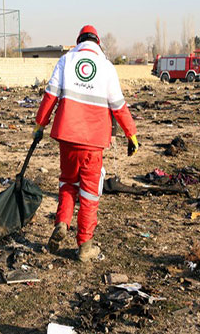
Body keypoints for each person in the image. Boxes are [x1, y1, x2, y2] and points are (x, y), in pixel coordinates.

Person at [33, 25, 138, 262]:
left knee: (68, 183)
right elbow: (118, 106)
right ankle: (85, 245)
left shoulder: (66, 60)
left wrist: (40, 125)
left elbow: (50, 96)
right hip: (93, 142)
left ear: (79, 41)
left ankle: (62, 223)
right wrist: (131, 135)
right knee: (90, 194)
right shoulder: (107, 67)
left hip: (67, 139)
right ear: (98, 43)